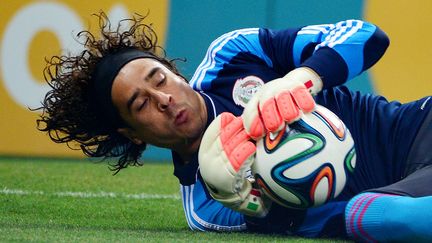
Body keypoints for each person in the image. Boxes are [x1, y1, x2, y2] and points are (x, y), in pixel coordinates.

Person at [36, 12, 432, 241]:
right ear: (133, 135)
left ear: (175, 72)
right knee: (380, 216)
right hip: (397, 193)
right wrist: (272, 215)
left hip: (416, 127)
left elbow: (367, 36)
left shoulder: (231, 55)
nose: (164, 99)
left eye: (158, 79)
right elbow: (329, 222)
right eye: (141, 104)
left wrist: (298, 80)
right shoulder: (208, 206)